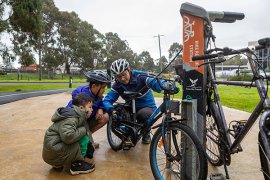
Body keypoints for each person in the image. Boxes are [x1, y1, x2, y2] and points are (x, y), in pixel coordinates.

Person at [103, 58, 179, 144]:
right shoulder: (117, 84)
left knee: (143, 115)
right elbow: (107, 100)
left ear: (129, 69)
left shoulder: (140, 76)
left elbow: (153, 82)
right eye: (118, 77)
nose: (122, 79)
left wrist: (165, 86)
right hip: (130, 107)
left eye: (124, 74)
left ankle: (145, 133)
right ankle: (128, 133)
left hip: (146, 107)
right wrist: (111, 110)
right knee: (120, 112)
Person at [42, 93, 95, 175]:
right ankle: (77, 165)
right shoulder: (71, 118)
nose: (92, 110)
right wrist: (83, 130)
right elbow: (68, 137)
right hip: (54, 152)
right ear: (81, 108)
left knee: (82, 136)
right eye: (90, 107)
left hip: (53, 152)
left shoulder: (75, 115)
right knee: (82, 138)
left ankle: (58, 163)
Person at [66, 70, 110, 151]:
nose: (104, 90)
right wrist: (91, 144)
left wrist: (100, 109)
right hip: (75, 124)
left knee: (105, 117)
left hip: (85, 121)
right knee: (88, 149)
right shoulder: (83, 99)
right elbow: (82, 122)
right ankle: (83, 141)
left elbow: (100, 101)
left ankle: (86, 139)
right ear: (94, 86)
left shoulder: (96, 94)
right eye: (103, 87)